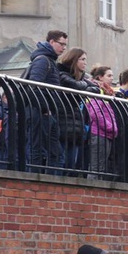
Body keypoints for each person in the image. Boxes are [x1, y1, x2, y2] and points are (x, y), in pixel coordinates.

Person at [25, 30, 68, 173]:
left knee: (54, 154)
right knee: (38, 150)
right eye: (61, 44)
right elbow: (35, 86)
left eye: (65, 45)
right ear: (51, 42)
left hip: (47, 112)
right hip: (41, 112)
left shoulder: (49, 60)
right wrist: (45, 109)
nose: (63, 48)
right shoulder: (43, 60)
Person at [57, 48, 99, 172]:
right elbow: (75, 86)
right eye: (82, 59)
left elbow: (96, 88)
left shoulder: (82, 80)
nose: (85, 63)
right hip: (63, 119)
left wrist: (86, 86)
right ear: (74, 60)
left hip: (75, 124)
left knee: (71, 164)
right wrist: (87, 86)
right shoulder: (62, 74)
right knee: (62, 161)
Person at [87, 66, 118, 179]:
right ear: (100, 77)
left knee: (101, 167)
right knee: (96, 167)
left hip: (106, 133)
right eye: (109, 76)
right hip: (99, 132)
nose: (111, 78)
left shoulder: (106, 92)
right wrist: (111, 127)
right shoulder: (96, 90)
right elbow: (95, 113)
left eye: (112, 76)